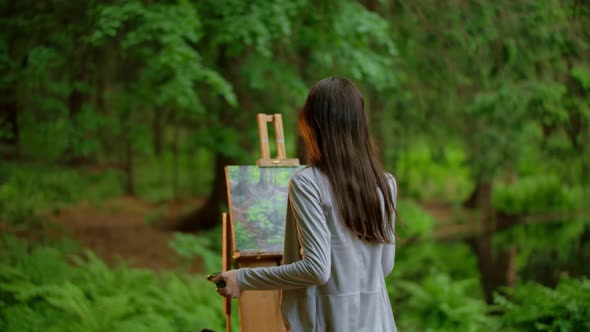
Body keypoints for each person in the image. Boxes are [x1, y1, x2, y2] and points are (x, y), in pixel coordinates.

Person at [215, 77, 398, 332]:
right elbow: (384, 266)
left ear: (313, 124)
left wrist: (242, 278)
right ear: (361, 125)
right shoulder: (385, 182)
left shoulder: (308, 183)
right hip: (379, 323)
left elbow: (317, 269)